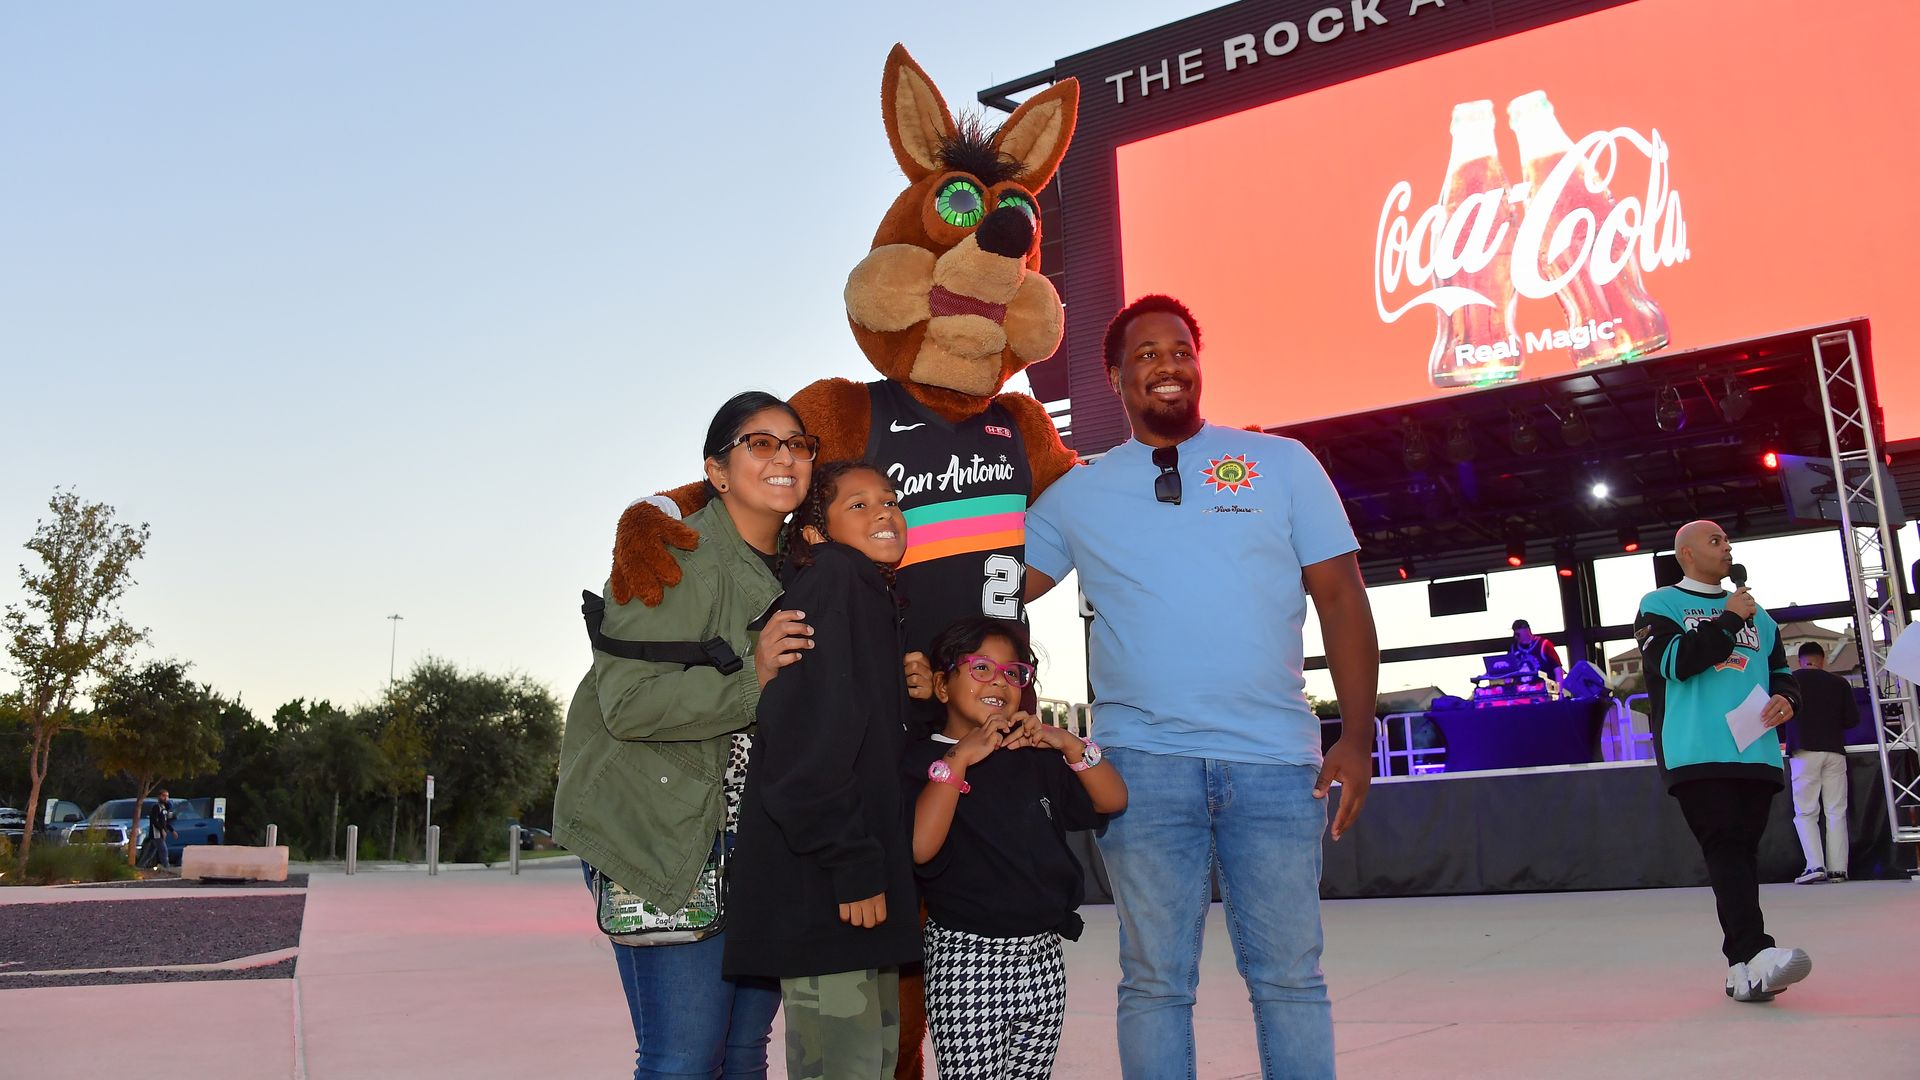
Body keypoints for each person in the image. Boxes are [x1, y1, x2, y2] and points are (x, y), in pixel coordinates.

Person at [1021, 294, 1380, 1079]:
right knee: (1153, 983)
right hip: (1142, 768)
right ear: (1115, 378)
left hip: (1276, 766)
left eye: (1181, 349)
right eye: (1147, 354)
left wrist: (1356, 737)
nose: (1168, 364)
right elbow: (999, 590)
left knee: (1289, 980)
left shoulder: (1282, 464)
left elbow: (1342, 596)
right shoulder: (1077, 493)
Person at [553, 390, 815, 1079]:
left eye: (797, 443)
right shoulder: (668, 557)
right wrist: (752, 678)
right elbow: (628, 704)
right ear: (717, 472)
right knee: (683, 1057)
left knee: (741, 1053)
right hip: (667, 832)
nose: (785, 455)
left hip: (762, 844)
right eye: (760, 442)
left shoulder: (806, 567)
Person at [723, 461, 923, 1080]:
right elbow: (801, 746)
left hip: (856, 896)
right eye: (857, 506)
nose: (884, 511)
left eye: (890, 500)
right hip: (832, 894)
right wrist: (853, 863)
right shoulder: (834, 579)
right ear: (814, 534)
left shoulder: (868, 594)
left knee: (875, 1065)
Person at [904, 616, 1127, 1079]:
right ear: (942, 686)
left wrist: (1066, 742)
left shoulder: (1034, 756)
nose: (999, 682)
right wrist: (959, 758)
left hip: (1042, 956)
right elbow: (920, 849)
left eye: (1013, 673)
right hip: (965, 957)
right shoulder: (921, 758)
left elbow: (1112, 799)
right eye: (981, 668)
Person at [1633, 520, 1810, 1002]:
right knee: (1727, 845)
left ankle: (1742, 970)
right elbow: (1675, 662)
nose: (1727, 547)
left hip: (1754, 749)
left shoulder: (1763, 616)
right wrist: (1728, 620)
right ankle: (1757, 953)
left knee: (1739, 853)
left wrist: (1789, 699)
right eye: (1715, 541)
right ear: (1686, 554)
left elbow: (1780, 672)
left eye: (1728, 540)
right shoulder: (1661, 604)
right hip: (1696, 750)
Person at [1785, 641, 1853, 883]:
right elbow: (1852, 719)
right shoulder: (1839, 683)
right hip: (1834, 750)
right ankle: (1838, 869)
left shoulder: (1790, 681)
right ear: (1823, 660)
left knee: (1805, 811)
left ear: (1800, 660)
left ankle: (1815, 865)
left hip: (1803, 751)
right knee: (1836, 811)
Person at [145, 789, 177, 869]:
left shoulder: (165, 808)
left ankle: (141, 866)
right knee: (163, 851)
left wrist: (172, 831)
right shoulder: (156, 807)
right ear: (159, 796)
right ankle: (167, 867)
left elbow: (166, 822)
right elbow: (154, 821)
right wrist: (161, 829)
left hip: (161, 834)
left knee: (150, 853)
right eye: (163, 796)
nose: (165, 798)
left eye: (167, 796)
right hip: (156, 834)